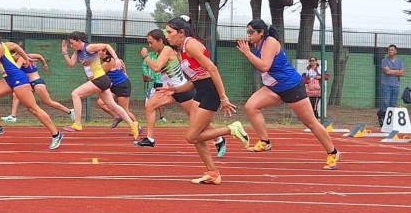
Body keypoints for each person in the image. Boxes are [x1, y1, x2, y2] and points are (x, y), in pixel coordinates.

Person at [236, 19, 340, 170]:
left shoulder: (270, 42)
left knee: (310, 122)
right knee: (251, 107)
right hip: (274, 87)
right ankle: (265, 142)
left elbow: (265, 66)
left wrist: (247, 53)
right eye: (248, 32)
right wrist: (250, 52)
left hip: (291, 87)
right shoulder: (258, 44)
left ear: (261, 32)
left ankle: (333, 152)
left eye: (252, 32)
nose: (249, 35)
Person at [160, 16, 250, 185]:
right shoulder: (182, 49)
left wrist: (223, 97)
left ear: (181, 33)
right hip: (200, 90)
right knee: (198, 136)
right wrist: (175, 90)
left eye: (170, 32)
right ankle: (212, 172)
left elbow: (212, 69)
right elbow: (195, 79)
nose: (167, 36)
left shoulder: (191, 44)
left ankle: (231, 129)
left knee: (192, 137)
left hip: (210, 91)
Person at [0, 24, 64, 150]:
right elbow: (16, 46)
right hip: (8, 79)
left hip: (18, 79)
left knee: (33, 109)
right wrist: (26, 58)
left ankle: (56, 134)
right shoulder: (3, 45)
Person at [136, 29, 227, 159]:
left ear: (160, 41)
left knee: (199, 121)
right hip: (170, 90)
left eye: (151, 43)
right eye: (148, 44)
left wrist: (145, 56)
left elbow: (156, 68)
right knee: (150, 106)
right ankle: (150, 139)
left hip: (182, 89)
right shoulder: (162, 52)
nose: (150, 46)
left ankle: (219, 139)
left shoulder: (167, 50)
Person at [61, 31, 140, 139]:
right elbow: (71, 64)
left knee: (75, 94)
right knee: (112, 105)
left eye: (72, 43)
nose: (71, 45)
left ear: (79, 41)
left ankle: (78, 123)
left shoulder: (88, 48)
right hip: (102, 81)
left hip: (100, 79)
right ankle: (132, 124)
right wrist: (65, 53)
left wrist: (116, 58)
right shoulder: (77, 52)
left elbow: (106, 45)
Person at [0, 48, 74, 123]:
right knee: (16, 94)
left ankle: (70, 112)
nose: (12, 58)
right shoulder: (28, 56)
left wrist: (4, 69)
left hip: (37, 83)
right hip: (30, 84)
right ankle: (13, 116)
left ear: (17, 53)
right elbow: (39, 56)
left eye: (12, 56)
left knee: (48, 102)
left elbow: (16, 70)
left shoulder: (21, 58)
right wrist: (44, 64)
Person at [95, 49, 139, 129]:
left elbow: (98, 76)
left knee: (125, 110)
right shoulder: (116, 60)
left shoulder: (107, 63)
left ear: (105, 52)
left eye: (98, 51)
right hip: (114, 86)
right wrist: (124, 72)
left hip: (122, 86)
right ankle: (117, 116)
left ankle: (137, 127)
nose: (97, 53)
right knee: (101, 102)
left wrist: (124, 73)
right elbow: (122, 64)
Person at [378, 44, 404, 126]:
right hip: (386, 84)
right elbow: (387, 72)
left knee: (393, 104)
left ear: (395, 51)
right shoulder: (384, 61)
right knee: (386, 103)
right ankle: (383, 119)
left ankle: (391, 123)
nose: (390, 51)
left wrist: (392, 71)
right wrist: (397, 71)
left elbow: (402, 73)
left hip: (396, 85)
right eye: (389, 50)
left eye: (392, 50)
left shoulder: (400, 62)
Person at [142, 50, 167, 123]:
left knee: (161, 99)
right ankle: (151, 117)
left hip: (162, 81)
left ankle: (162, 117)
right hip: (152, 82)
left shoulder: (165, 54)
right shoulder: (149, 55)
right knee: (149, 100)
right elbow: (144, 66)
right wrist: (147, 75)